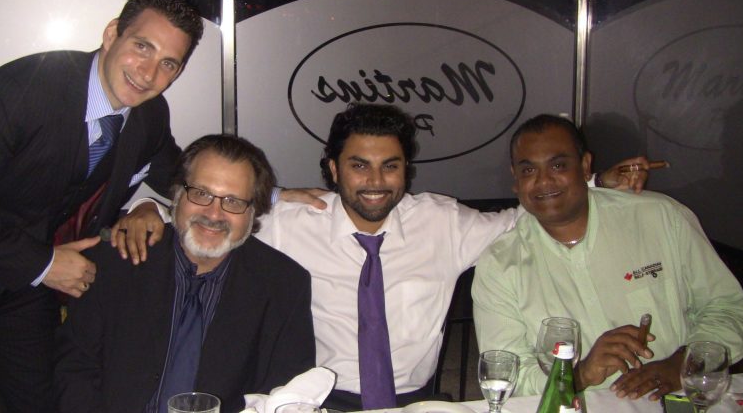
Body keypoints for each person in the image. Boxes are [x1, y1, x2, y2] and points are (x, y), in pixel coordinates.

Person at [120, 103, 648, 411]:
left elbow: (525, 216)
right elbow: (213, 215)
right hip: (320, 400)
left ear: (406, 171)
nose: (375, 181)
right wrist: (148, 209)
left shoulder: (443, 222)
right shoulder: (290, 222)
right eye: (359, 166)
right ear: (333, 169)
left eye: (390, 166)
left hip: (417, 403)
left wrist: (597, 184)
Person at [0, 0, 203, 412]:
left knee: (43, 402)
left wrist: (149, 205)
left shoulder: (149, 115)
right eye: (142, 46)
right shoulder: (19, 91)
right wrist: (44, 264)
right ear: (112, 34)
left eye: (169, 63)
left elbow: (182, 179)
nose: (149, 72)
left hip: (23, 284)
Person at [472, 114, 743, 400]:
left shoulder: (660, 218)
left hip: (678, 397)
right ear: (515, 179)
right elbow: (507, 376)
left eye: (558, 165)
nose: (544, 180)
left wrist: (684, 364)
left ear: (585, 166)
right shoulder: (500, 265)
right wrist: (580, 375)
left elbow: (727, 307)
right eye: (528, 170)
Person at [54, 134, 315, 413]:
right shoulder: (118, 260)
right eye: (201, 194)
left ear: (253, 212)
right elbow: (75, 368)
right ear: (177, 194)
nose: (214, 214)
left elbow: (286, 393)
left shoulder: (283, 285)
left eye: (233, 201)